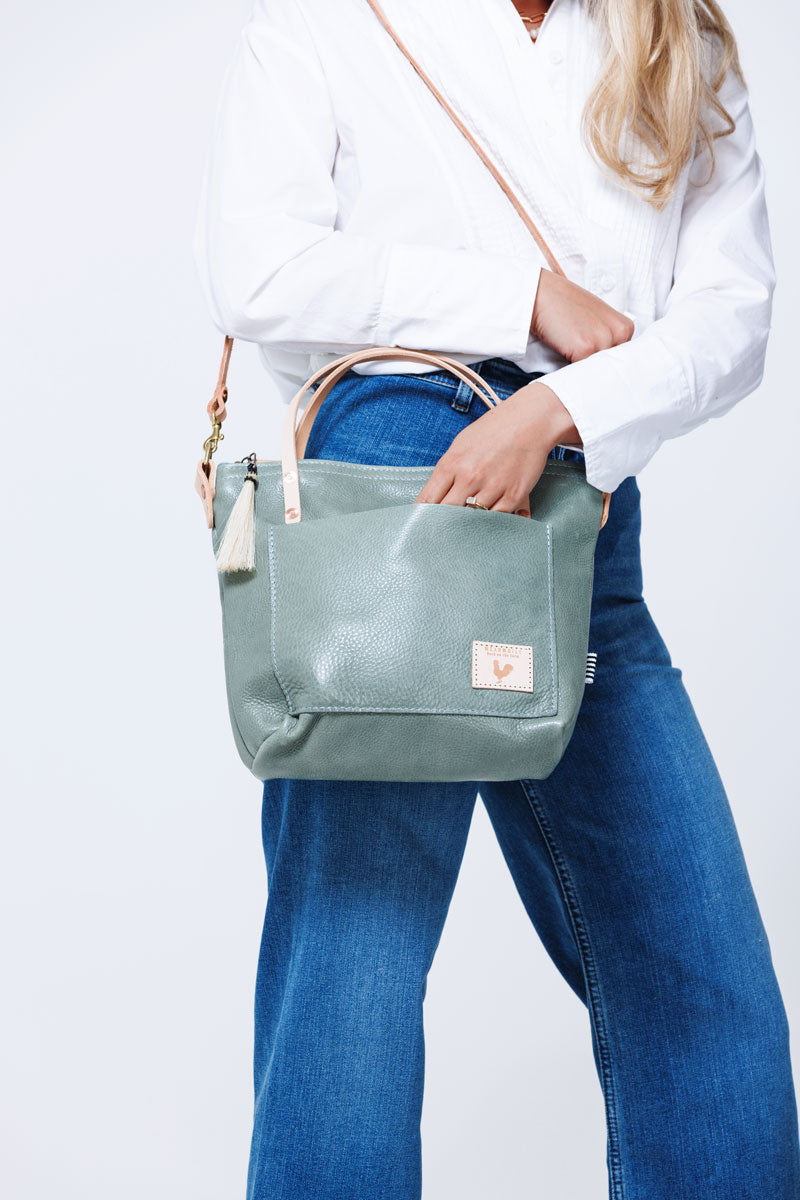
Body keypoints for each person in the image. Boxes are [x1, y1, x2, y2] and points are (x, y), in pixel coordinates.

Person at [193, 1, 800, 1196]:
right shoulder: (329, 19)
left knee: (702, 992)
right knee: (350, 982)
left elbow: (732, 317)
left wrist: (559, 406)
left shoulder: (671, 37)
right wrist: (517, 298)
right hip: (396, 496)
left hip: (578, 511)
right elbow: (252, 266)